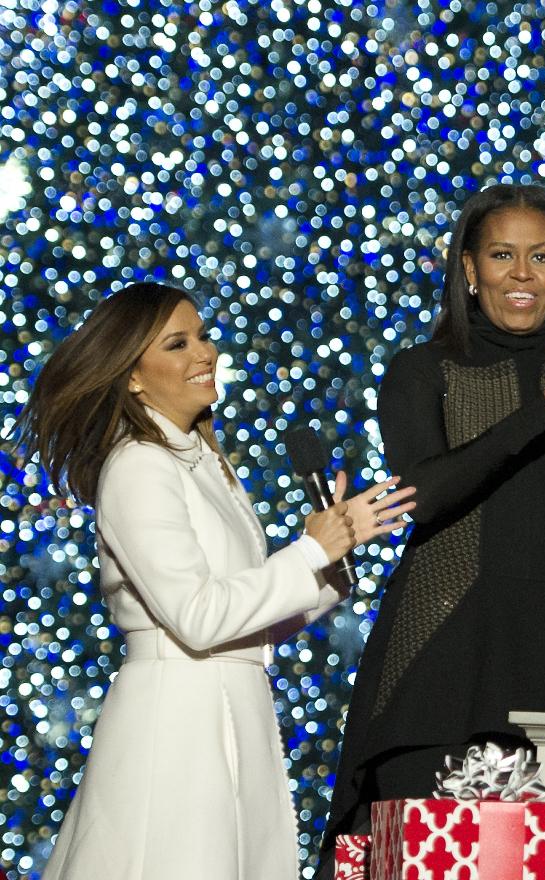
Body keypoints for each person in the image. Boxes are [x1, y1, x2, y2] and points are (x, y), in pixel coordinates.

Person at [11, 282, 415, 880]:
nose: (204, 353)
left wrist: (332, 562)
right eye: (177, 343)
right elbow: (198, 618)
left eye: (201, 335)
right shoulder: (139, 466)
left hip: (231, 711)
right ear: (132, 376)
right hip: (177, 723)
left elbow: (246, 621)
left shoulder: (200, 460)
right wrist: (307, 551)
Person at [323, 184, 545, 848]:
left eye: (543, 257)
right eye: (502, 255)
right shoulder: (424, 370)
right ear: (469, 269)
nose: (523, 275)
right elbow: (424, 495)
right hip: (442, 670)